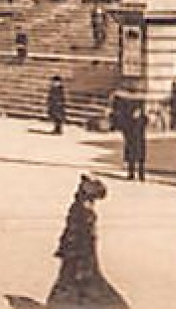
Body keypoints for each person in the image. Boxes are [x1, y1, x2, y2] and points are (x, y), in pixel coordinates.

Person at [46, 175, 127, 308]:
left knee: (71, 278)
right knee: (78, 279)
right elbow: (77, 231)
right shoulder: (82, 210)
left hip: (78, 249)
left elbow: (74, 230)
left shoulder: (80, 207)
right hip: (80, 250)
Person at [115, 97, 147, 182]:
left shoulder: (142, 118)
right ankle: (131, 173)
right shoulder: (129, 117)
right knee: (131, 155)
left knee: (140, 156)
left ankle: (141, 174)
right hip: (131, 137)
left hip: (139, 138)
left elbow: (144, 124)